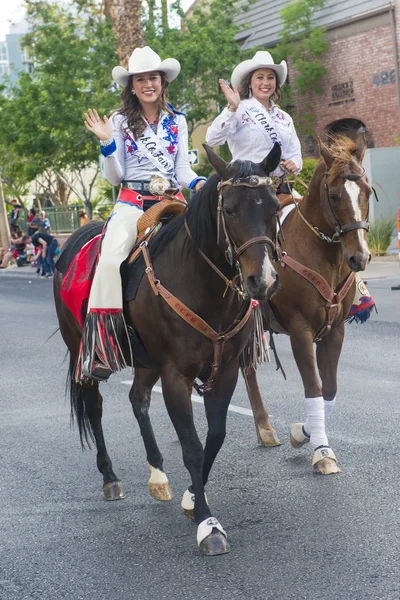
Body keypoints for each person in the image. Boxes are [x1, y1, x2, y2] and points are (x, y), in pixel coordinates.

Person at [81, 45, 206, 381]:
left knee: (213, 245)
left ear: (162, 82)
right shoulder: (119, 122)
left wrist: (201, 183)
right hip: (132, 202)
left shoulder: (177, 120)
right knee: (109, 260)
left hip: (172, 199)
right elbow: (115, 177)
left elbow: (182, 169)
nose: (148, 84)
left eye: (153, 77)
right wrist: (107, 144)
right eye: (141, 79)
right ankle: (105, 346)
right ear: (132, 86)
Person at [206, 51, 302, 185]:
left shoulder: (285, 118)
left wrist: (294, 163)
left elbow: (295, 153)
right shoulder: (238, 109)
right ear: (250, 83)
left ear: (276, 82)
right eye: (260, 77)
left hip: (278, 186)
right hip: (246, 185)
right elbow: (212, 139)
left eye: (270, 78)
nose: (265, 83)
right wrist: (232, 109)